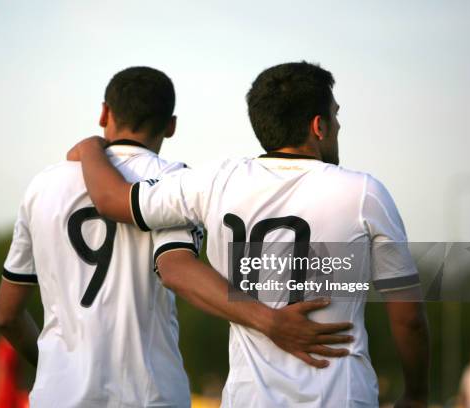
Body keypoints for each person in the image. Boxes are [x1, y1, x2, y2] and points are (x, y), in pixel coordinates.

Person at [69, 61, 430, 407]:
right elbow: (408, 317)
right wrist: (415, 393)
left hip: (249, 397)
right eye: (336, 116)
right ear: (318, 125)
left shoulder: (217, 181)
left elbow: (110, 200)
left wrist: (89, 146)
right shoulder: (365, 193)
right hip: (341, 394)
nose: (338, 127)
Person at [0, 66, 353, 407]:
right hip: (149, 394)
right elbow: (176, 270)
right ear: (171, 126)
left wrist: (57, 370)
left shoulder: (42, 186)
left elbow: (6, 314)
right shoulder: (172, 181)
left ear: (104, 114)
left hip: (58, 395)